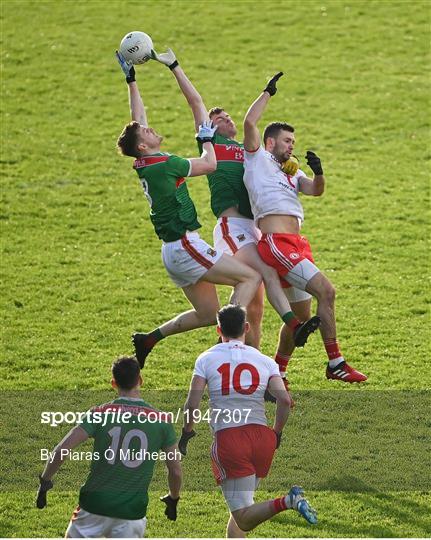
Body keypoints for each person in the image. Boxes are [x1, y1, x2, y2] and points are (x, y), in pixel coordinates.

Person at [148, 47, 320, 356]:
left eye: (227, 116)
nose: (225, 119)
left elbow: (280, 169)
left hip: (255, 228)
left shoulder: (252, 151)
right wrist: (174, 65)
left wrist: (292, 166)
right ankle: (277, 329)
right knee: (260, 279)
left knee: (255, 303)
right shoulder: (211, 144)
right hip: (231, 225)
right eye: (219, 118)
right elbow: (195, 102)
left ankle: (247, 360)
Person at [115, 51, 262, 368]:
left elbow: (137, 121)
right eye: (147, 133)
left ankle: (150, 338)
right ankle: (229, 350)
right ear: (143, 145)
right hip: (184, 245)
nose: (151, 129)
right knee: (249, 279)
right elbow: (210, 164)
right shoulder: (167, 164)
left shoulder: (145, 163)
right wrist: (207, 139)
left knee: (209, 314)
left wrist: (132, 80)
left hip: (171, 252)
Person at [242, 72, 368, 384]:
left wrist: (319, 172)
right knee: (327, 290)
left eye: (293, 142)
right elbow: (249, 124)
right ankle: (335, 362)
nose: (291, 146)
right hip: (277, 243)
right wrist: (268, 92)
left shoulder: (291, 172)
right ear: (270, 142)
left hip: (296, 243)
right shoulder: (257, 158)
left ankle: (278, 373)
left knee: (299, 316)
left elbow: (315, 190)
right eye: (287, 141)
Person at [178, 304, 317, 537]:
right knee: (241, 509)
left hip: (231, 439)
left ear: (218, 330)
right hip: (262, 438)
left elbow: (192, 405)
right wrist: (277, 433)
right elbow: (284, 400)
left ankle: (288, 501)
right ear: (247, 328)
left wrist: (187, 431)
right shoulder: (264, 360)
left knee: (243, 516)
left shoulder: (206, 358)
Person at [36, 356, 182, 538]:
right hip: (132, 512)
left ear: (113, 383)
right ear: (140, 380)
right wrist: (173, 498)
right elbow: (175, 471)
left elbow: (62, 450)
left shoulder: (100, 414)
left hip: (93, 506)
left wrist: (45, 482)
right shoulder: (162, 421)